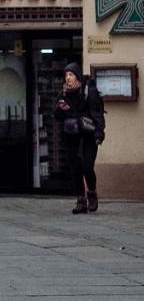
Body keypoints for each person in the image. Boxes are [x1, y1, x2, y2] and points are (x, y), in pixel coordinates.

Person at [55, 64, 106, 214]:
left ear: (77, 76)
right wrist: (59, 109)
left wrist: (99, 133)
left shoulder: (88, 92)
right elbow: (57, 117)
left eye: (71, 75)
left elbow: (97, 114)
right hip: (72, 137)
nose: (68, 78)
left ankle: (92, 193)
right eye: (66, 75)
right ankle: (80, 201)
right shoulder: (63, 94)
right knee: (75, 169)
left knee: (87, 166)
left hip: (89, 136)